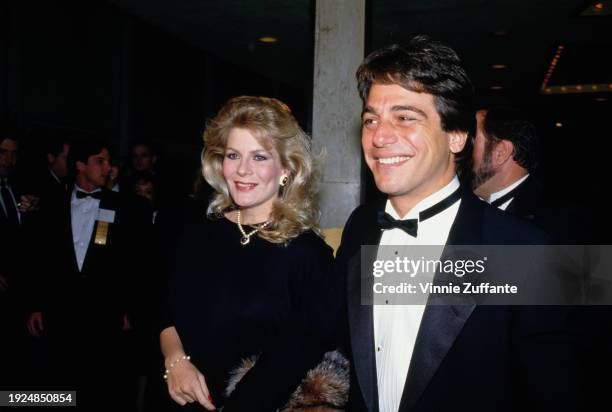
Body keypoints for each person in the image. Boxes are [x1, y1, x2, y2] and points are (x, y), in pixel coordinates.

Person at [223, 36, 575, 411]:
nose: (379, 136)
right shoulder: (363, 228)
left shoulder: (524, 252)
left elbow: (556, 392)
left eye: (405, 117)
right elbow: (309, 332)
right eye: (371, 119)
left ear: (456, 136)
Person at [159, 96, 334, 410]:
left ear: (287, 168)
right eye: (233, 154)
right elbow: (160, 306)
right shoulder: (195, 232)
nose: (242, 170)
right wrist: (175, 360)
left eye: (259, 157)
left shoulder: (309, 256)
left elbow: (295, 356)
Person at [25, 140, 147, 409]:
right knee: (58, 384)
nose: (108, 167)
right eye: (99, 161)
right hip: (60, 311)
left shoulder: (123, 206)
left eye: (109, 162)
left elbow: (132, 262)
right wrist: (35, 304)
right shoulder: (52, 202)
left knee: (100, 387)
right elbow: (38, 257)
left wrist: (127, 308)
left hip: (103, 313)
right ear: (80, 165)